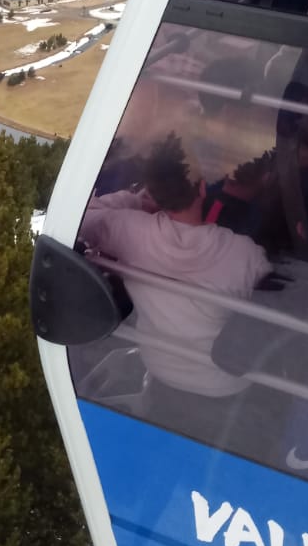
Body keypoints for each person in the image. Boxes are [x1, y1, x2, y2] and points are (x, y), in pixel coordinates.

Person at [77, 142, 270, 440]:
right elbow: (277, 302)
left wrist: (134, 201)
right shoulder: (245, 253)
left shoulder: (130, 231)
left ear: (154, 194)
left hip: (163, 381)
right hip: (226, 388)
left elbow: (84, 217)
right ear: (203, 188)